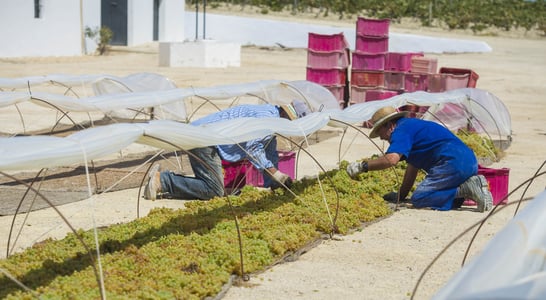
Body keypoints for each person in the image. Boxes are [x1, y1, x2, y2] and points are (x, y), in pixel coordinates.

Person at [144, 101, 311, 200]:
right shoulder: (267, 119)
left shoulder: (273, 121)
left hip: (208, 138)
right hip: (205, 139)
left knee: (213, 186)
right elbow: (253, 148)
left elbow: (269, 153)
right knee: (214, 190)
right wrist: (277, 174)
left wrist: (275, 184)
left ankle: (167, 182)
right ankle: (163, 181)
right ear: (286, 115)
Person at [346, 106, 493, 212]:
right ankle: (465, 189)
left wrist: (363, 166)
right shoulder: (412, 127)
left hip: (452, 162)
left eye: (381, 133)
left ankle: (467, 188)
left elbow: (391, 159)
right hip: (467, 161)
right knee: (443, 198)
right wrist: (401, 196)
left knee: (420, 198)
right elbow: (412, 169)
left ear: (390, 126)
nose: (382, 138)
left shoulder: (400, 131)